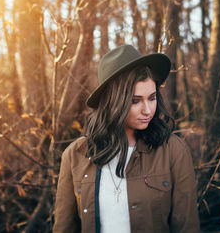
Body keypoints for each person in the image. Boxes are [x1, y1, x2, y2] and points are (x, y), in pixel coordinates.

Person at [53, 45, 199, 232]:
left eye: (152, 97)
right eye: (135, 101)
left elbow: (187, 227)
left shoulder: (173, 151)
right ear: (113, 102)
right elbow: (64, 227)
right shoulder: (75, 155)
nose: (147, 110)